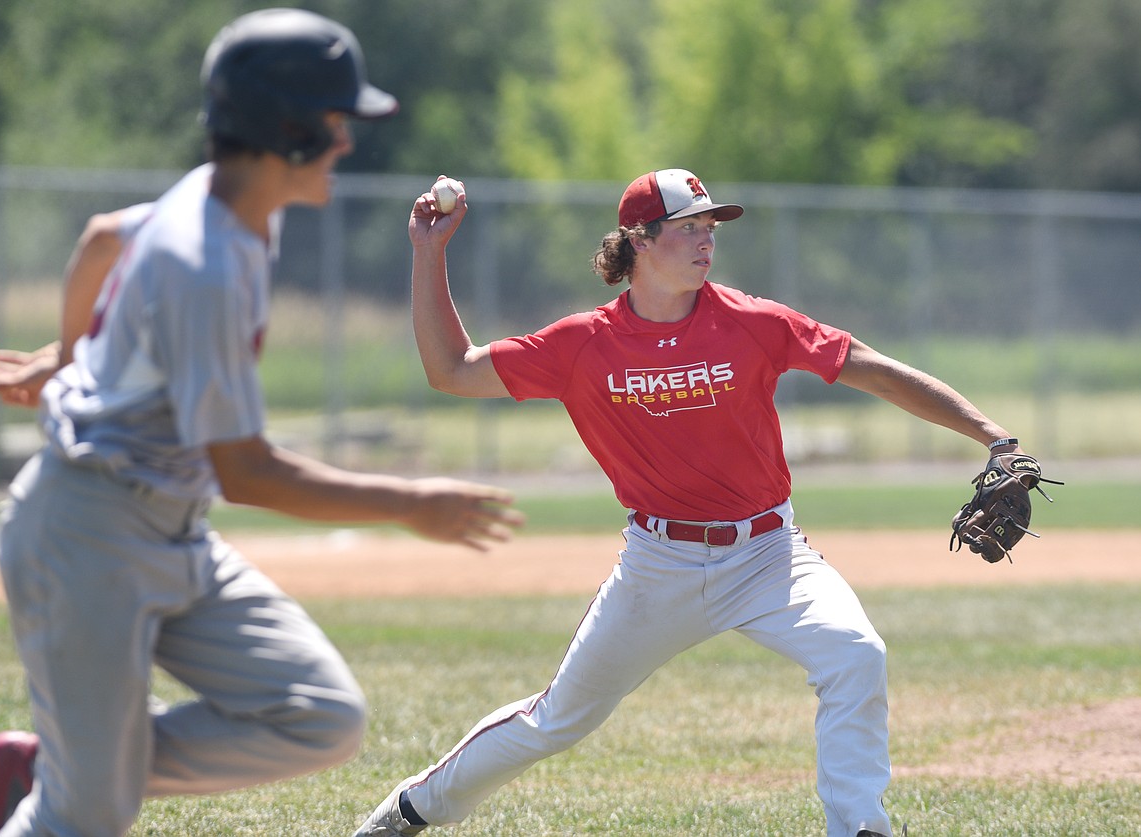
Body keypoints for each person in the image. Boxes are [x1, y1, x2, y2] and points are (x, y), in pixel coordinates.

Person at [0, 9, 524, 836]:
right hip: (85, 533)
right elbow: (248, 470)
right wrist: (411, 503)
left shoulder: (231, 204)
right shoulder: (206, 261)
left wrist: (73, 358)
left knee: (319, 714)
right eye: (335, 122)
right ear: (286, 128)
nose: (345, 142)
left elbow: (100, 241)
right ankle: (71, 779)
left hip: (171, 529)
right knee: (82, 817)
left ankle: (65, 765)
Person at [353, 168, 1036, 837]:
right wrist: (429, 253)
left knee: (856, 651)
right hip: (658, 565)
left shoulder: (754, 322)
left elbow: (872, 369)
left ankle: (860, 826)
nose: (708, 239)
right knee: (557, 719)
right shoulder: (582, 344)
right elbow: (450, 371)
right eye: (689, 227)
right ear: (639, 240)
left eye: (711, 226)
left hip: (769, 553)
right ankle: (412, 808)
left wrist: (991, 434)